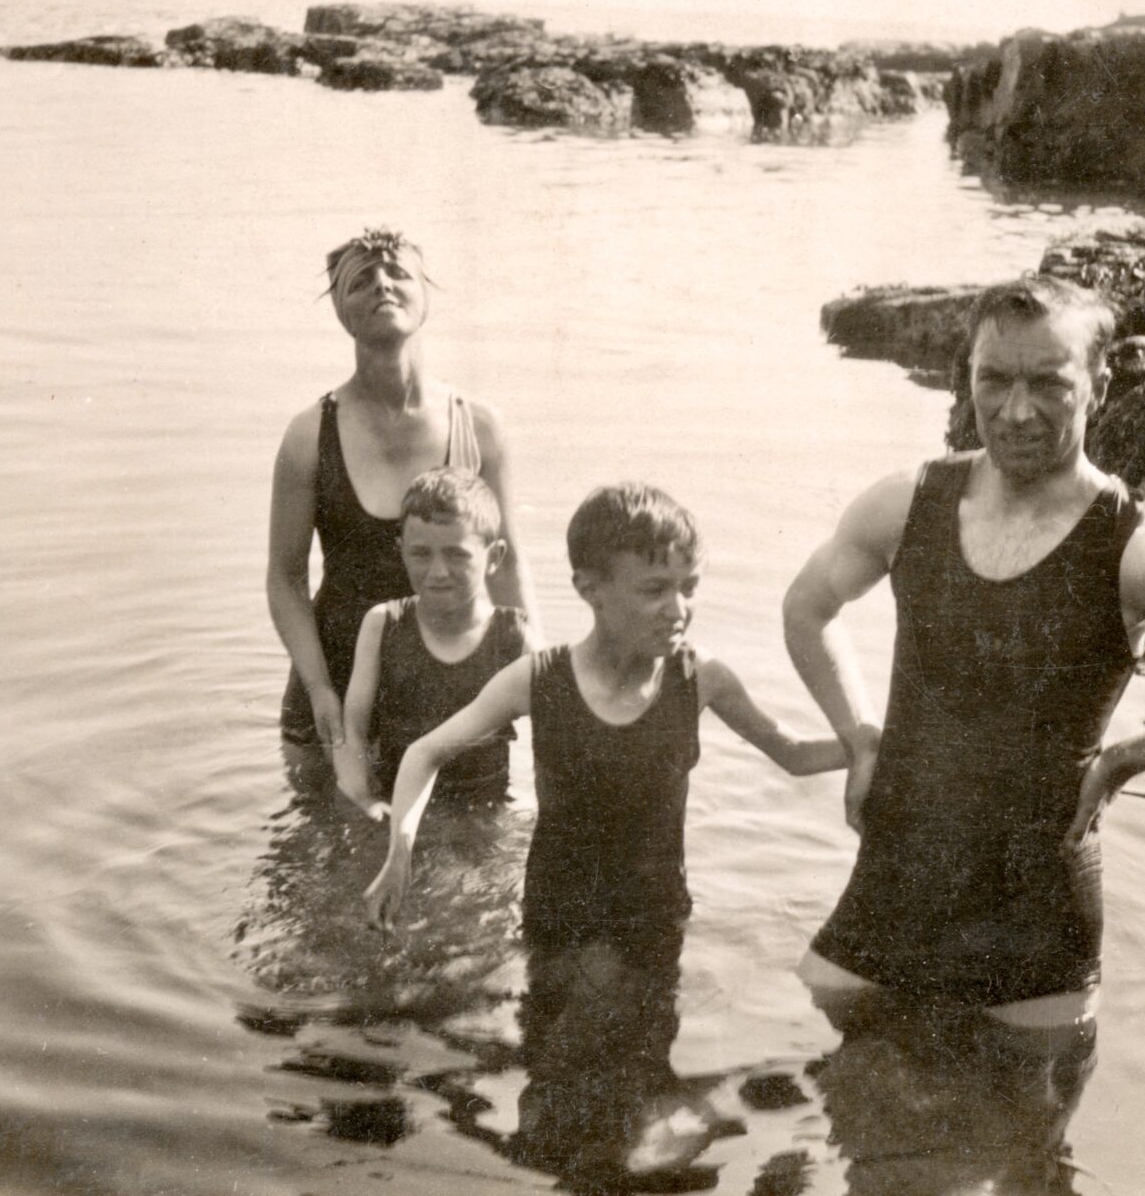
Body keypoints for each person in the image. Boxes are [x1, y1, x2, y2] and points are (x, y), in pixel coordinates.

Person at [781, 275, 1145, 1028]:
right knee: (826, 1103)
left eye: (1049, 383)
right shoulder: (907, 507)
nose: (1016, 410)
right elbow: (806, 610)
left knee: (1016, 1143)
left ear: (1099, 385)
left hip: (1035, 930)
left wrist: (1126, 760)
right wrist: (858, 734)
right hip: (892, 888)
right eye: (994, 380)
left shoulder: (1135, 552)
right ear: (967, 377)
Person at [364, 482, 847, 937]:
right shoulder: (541, 680)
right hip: (555, 920)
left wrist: (883, 741)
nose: (678, 610)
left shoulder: (699, 678)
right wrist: (398, 856)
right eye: (655, 590)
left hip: (657, 916)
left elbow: (795, 753)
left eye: (689, 588)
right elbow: (423, 753)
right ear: (590, 588)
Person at [268, 225, 537, 755]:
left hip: (453, 681)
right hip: (337, 681)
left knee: (474, 833)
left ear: (425, 297)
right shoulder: (308, 436)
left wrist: (541, 677)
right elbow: (285, 577)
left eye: (398, 273)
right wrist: (319, 688)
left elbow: (506, 566)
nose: (382, 285)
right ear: (342, 312)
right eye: (361, 281)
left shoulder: (478, 426)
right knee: (320, 835)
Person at [331, 467, 540, 822]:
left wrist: (534, 805)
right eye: (421, 553)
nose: (438, 571)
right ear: (401, 551)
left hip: (484, 811)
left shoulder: (512, 636)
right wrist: (363, 799)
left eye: (457, 554)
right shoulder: (384, 624)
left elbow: (561, 735)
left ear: (494, 556)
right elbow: (352, 732)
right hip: (396, 805)